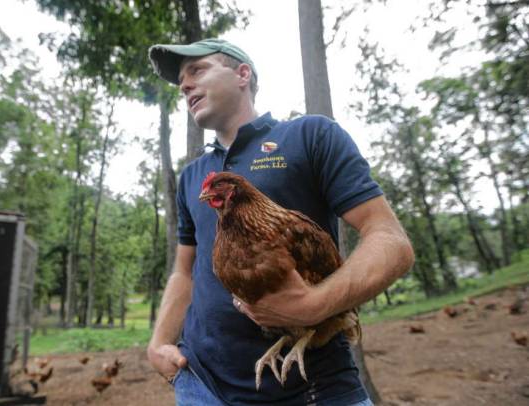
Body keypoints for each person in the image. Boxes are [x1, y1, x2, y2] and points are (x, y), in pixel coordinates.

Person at [147, 38, 414, 406]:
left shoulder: (310, 135)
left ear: (243, 74)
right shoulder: (192, 176)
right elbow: (184, 272)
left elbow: (390, 239)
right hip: (202, 385)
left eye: (197, 70)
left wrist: (316, 305)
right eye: (180, 80)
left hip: (312, 388)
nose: (184, 85)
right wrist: (158, 343)